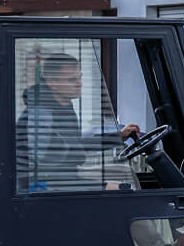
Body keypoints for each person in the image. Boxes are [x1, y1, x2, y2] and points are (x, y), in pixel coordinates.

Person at [16, 53, 138, 192]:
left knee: (123, 172)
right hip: (40, 185)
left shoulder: (63, 104)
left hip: (63, 176)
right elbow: (47, 168)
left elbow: (74, 144)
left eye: (79, 77)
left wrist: (119, 137)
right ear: (52, 83)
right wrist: (101, 186)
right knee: (121, 190)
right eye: (71, 80)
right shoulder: (40, 114)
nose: (79, 84)